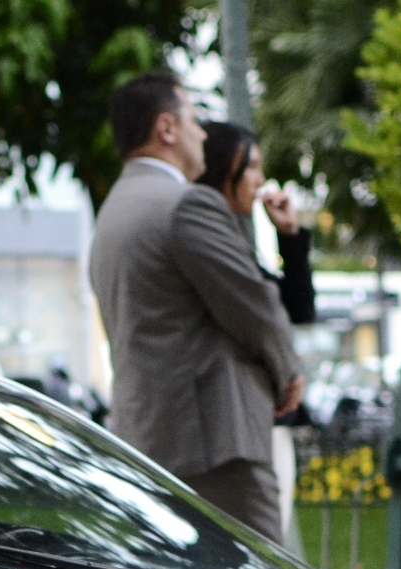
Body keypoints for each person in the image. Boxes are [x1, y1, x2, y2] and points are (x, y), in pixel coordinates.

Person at [88, 71, 303, 542]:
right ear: (166, 127)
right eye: (193, 120)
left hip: (145, 437)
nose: (202, 133)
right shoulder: (185, 205)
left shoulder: (113, 211)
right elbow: (253, 306)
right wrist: (289, 372)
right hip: (216, 446)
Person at [198, 119, 313, 327]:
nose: (260, 180)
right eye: (251, 166)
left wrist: (289, 233)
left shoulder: (231, 238)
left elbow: (297, 310)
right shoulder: (207, 241)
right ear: (220, 169)